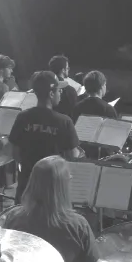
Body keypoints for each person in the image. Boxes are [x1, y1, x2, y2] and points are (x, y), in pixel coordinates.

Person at [8, 71, 80, 203]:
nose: (61, 93)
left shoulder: (22, 117)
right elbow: (73, 157)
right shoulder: (64, 122)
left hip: (26, 188)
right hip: (54, 191)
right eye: (59, 90)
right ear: (51, 94)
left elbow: (15, 153)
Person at [49, 55, 78, 119]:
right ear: (63, 70)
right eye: (67, 68)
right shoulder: (70, 91)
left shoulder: (45, 88)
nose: (68, 70)